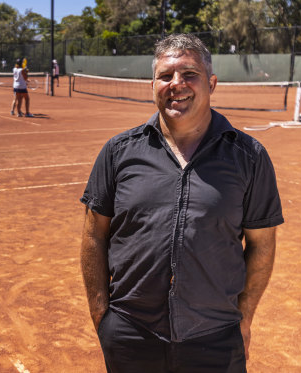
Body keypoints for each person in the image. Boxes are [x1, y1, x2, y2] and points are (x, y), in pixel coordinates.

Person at [80, 33, 283, 372]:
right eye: (166, 76)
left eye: (190, 74)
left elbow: (262, 243)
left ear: (212, 83)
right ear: (152, 85)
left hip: (216, 337)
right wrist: (101, 312)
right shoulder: (118, 152)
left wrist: (243, 318)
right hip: (131, 333)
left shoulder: (249, 157)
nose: (177, 84)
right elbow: (94, 234)